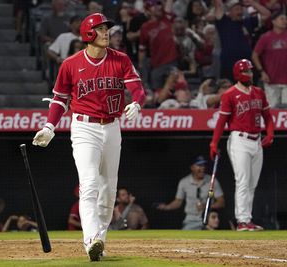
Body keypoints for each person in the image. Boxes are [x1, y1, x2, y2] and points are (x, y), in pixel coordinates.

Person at [32, 12, 145, 261]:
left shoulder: (120, 59)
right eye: (102, 29)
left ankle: (99, 242)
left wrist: (137, 102)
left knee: (108, 192)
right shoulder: (70, 64)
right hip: (84, 128)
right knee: (90, 184)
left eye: (107, 29)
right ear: (88, 34)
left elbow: (137, 88)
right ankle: (91, 239)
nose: (107, 33)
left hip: (113, 127)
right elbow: (60, 100)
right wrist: (50, 126)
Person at [209, 58, 275, 231]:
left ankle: (247, 219)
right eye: (246, 71)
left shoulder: (259, 92)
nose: (249, 74)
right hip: (239, 140)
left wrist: (270, 132)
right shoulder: (230, 94)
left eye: (250, 71)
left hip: (256, 140)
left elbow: (267, 116)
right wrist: (214, 143)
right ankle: (242, 221)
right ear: (238, 73)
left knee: (252, 183)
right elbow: (221, 121)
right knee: (243, 181)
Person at [157, 155, 225, 230]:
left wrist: (206, 206)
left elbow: (221, 202)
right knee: (185, 237)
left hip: (207, 219)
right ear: (192, 167)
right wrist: (166, 207)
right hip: (191, 219)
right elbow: (178, 201)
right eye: (199, 165)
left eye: (203, 165)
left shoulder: (212, 181)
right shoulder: (184, 182)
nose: (202, 168)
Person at [252, 9, 287, 108]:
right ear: (273, 21)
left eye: (286, 19)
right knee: (271, 109)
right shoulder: (266, 37)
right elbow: (255, 55)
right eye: (282, 19)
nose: (285, 21)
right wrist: (262, 71)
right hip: (271, 79)